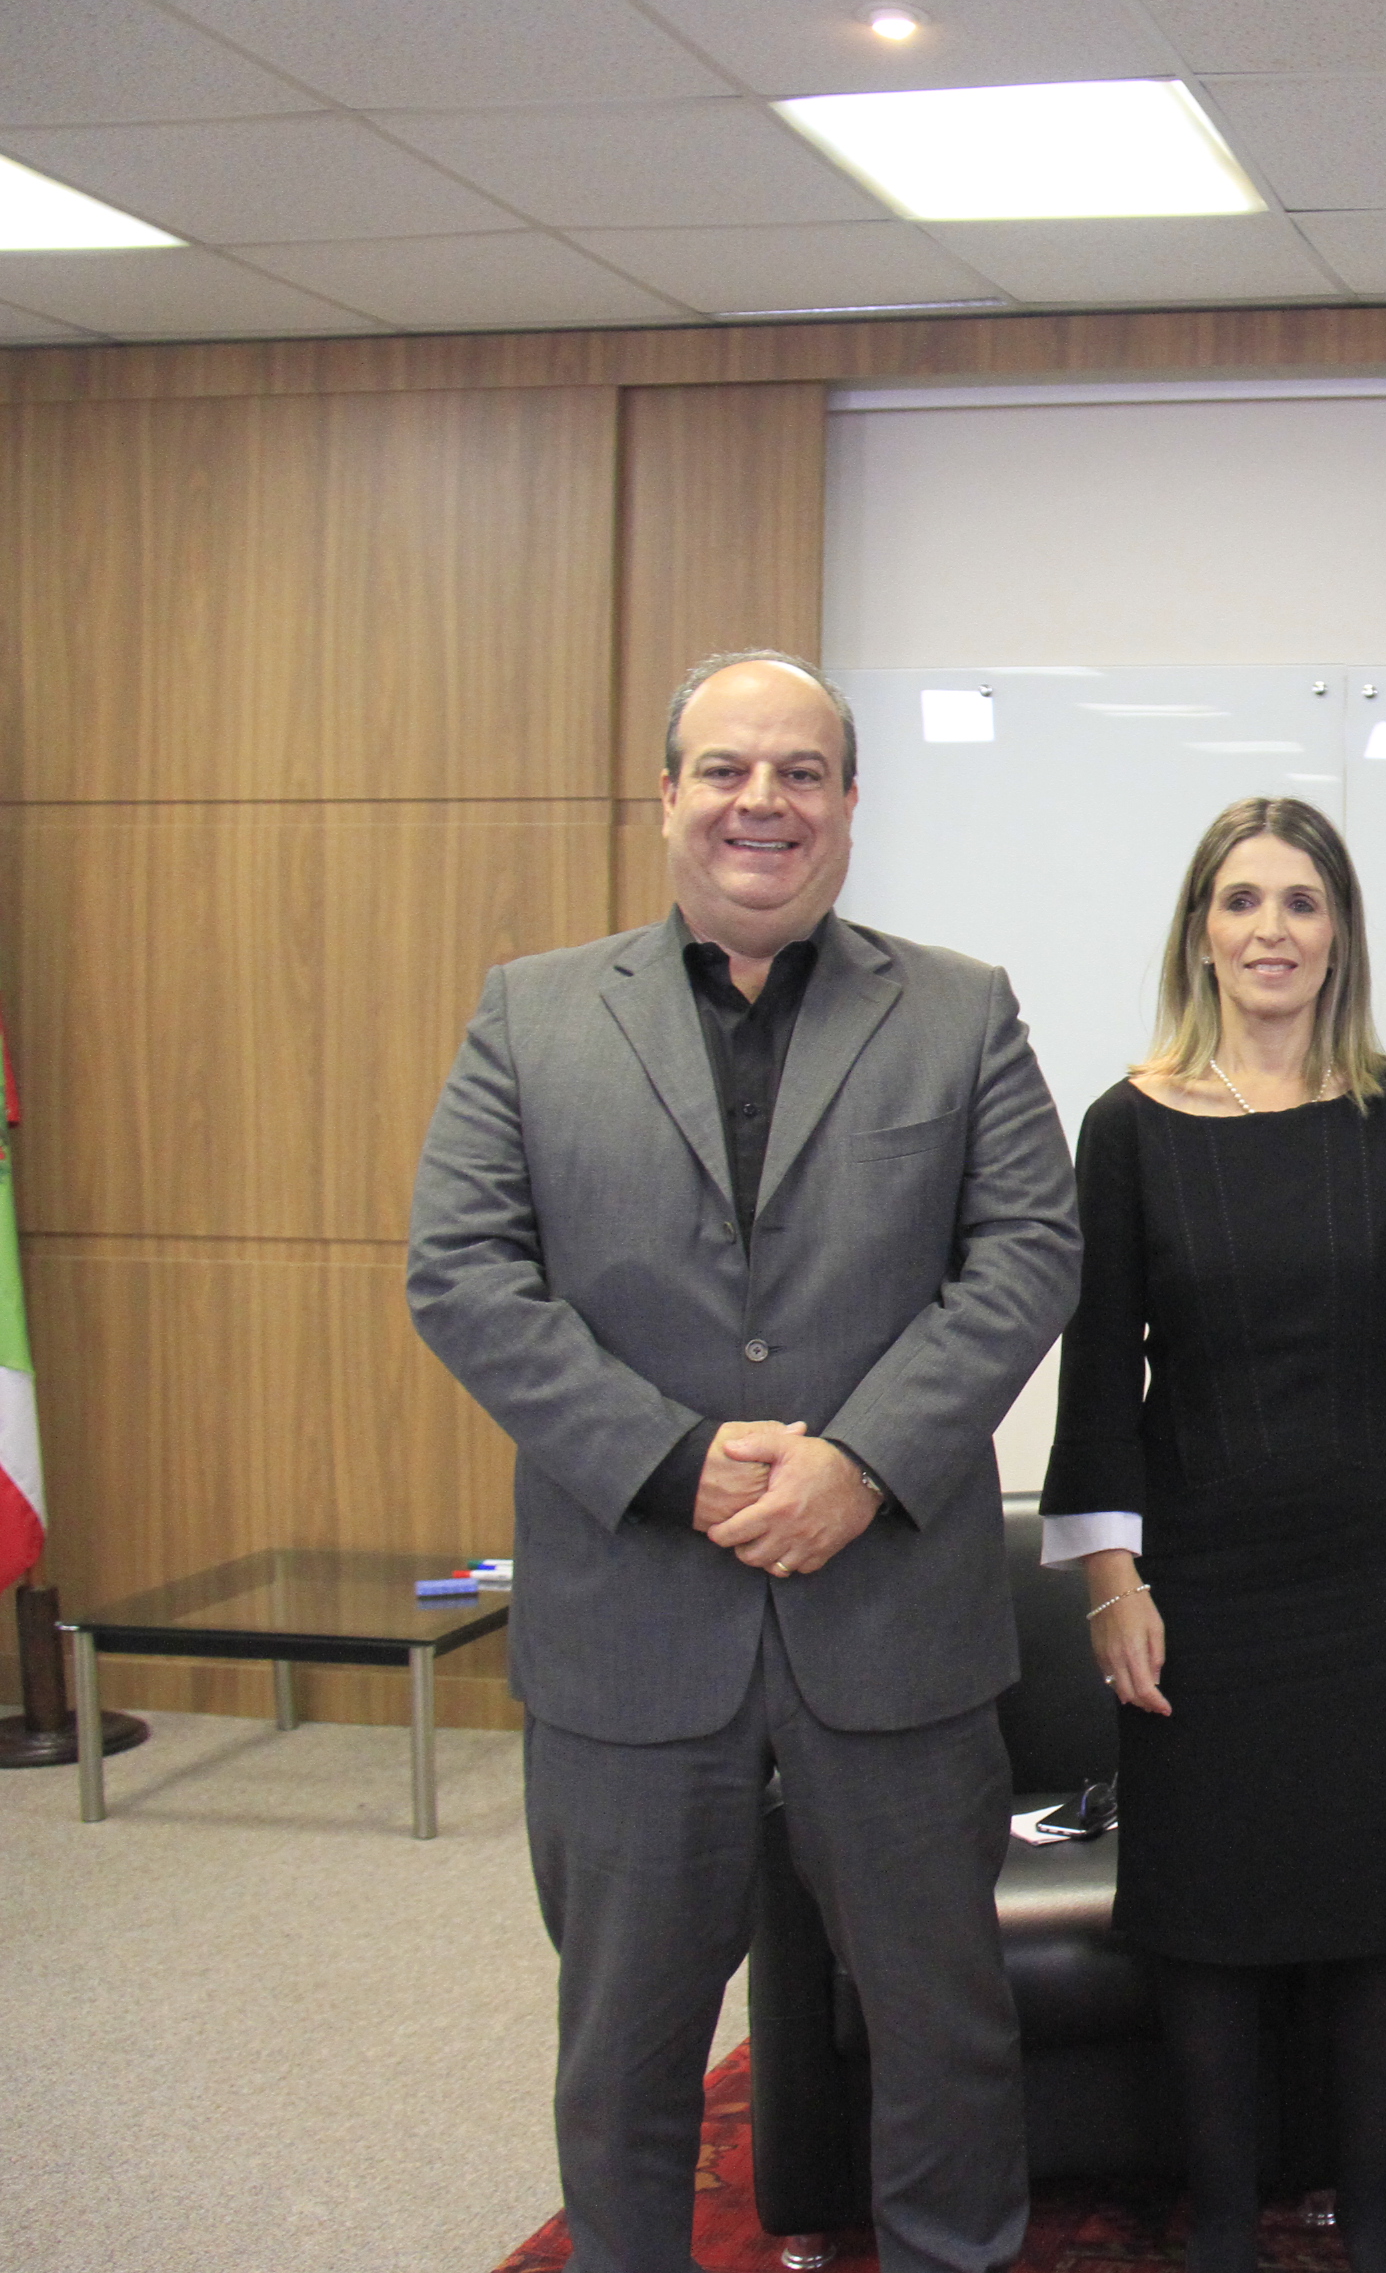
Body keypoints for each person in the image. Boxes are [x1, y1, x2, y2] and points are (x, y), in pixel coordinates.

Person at [408, 649, 1080, 2273]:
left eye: (799, 773)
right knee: (626, 2059)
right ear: (666, 797)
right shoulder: (533, 1012)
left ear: (849, 805)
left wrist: (859, 1459)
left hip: (892, 1627)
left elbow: (1028, 1255)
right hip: (633, 1626)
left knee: (946, 2041)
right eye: (726, 770)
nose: (760, 803)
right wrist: (670, 1461)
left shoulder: (960, 1006)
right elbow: (463, 1270)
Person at [1037, 796, 1386, 2273]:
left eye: (1301, 903)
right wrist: (1112, 1587)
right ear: (1199, 932)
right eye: (1241, 902)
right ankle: (1226, 2227)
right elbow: (1098, 1373)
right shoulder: (1125, 1125)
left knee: (1379, 1906)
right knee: (1208, 1914)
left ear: (1339, 934)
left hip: (1376, 1573)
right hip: (1202, 1580)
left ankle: (1374, 2221)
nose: (1270, 931)